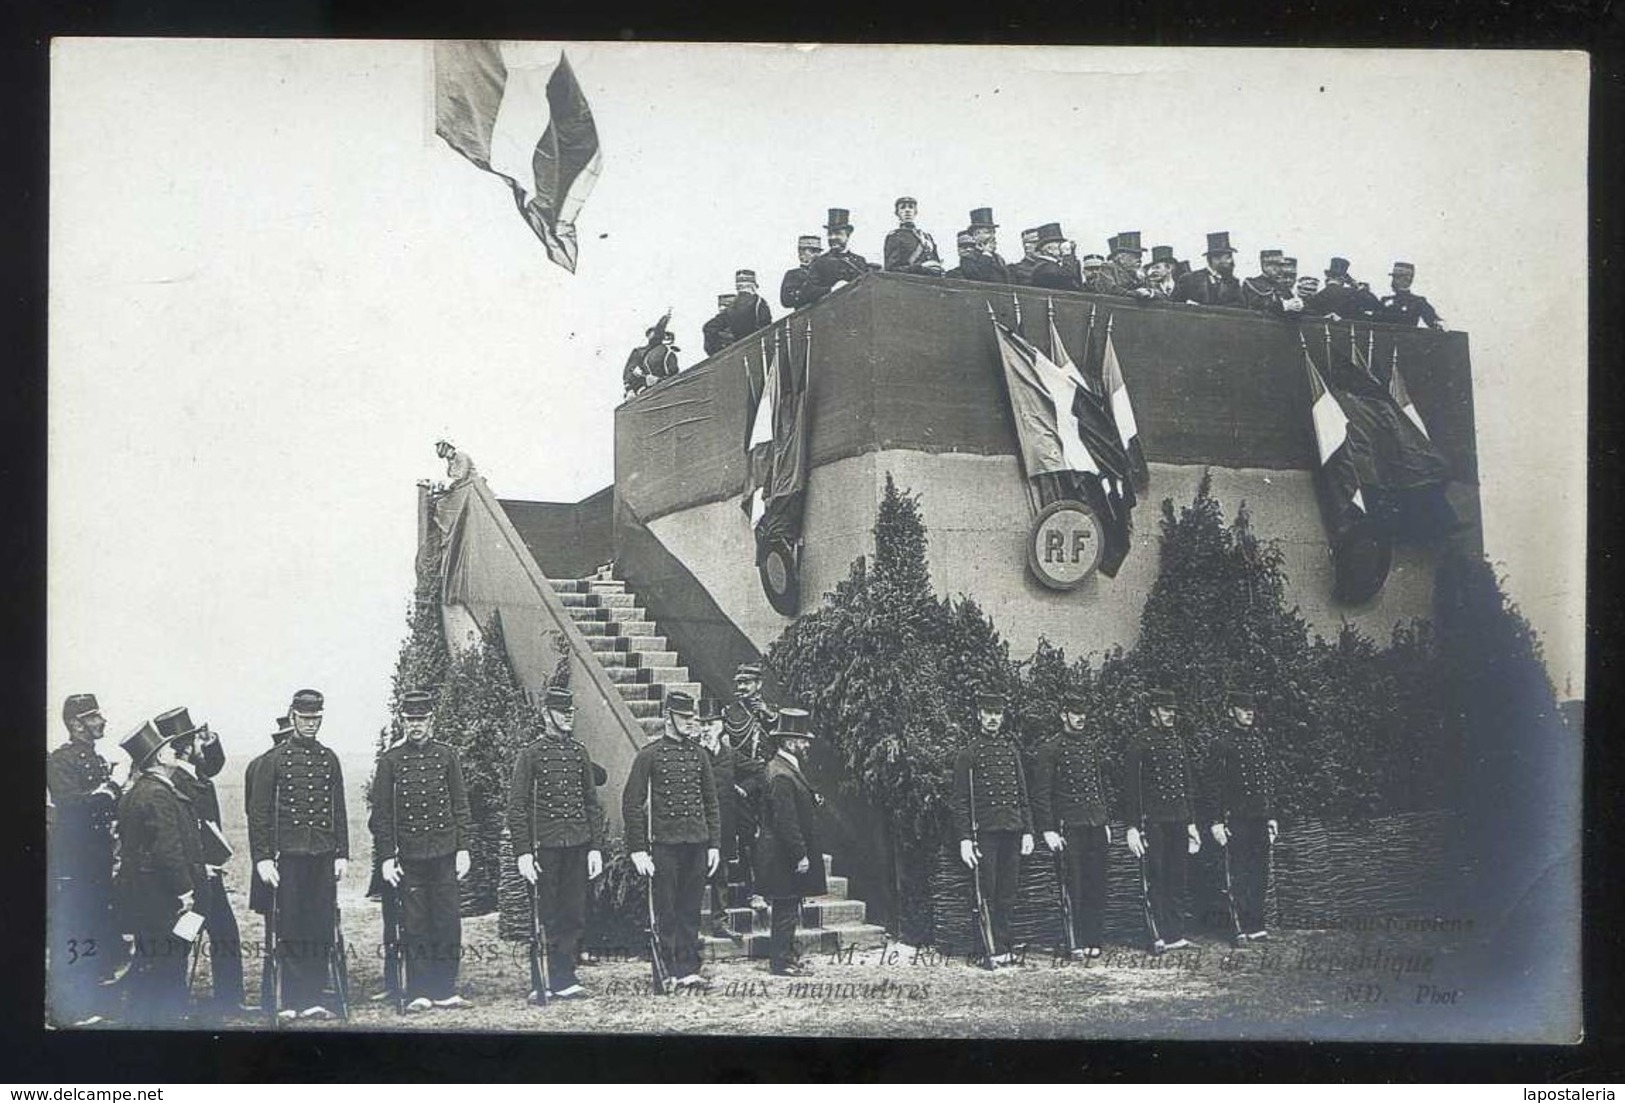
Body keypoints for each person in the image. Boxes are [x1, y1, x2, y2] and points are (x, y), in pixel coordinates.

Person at [245, 688, 349, 1020]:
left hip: (321, 854)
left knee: (319, 924)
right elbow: (259, 814)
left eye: (316, 719)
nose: (311, 724)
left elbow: (339, 809)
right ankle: (290, 999)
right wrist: (261, 858)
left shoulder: (329, 758)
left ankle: (314, 996)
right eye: (305, 719)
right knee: (289, 926)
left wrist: (341, 852)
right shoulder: (272, 761)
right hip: (286, 857)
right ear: (293, 717)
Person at [371, 689, 474, 1012]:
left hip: (444, 852)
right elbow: (382, 814)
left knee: (447, 921)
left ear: (432, 721)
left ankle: (445, 988)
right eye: (410, 720)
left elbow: (460, 805)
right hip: (409, 856)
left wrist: (463, 848)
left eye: (421, 719)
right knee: (414, 923)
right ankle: (418, 990)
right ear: (402, 721)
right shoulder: (390, 761)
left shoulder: (447, 755)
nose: (416, 726)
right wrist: (387, 857)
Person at [507, 687, 605, 1001]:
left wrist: (594, 847)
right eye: (562, 712)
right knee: (545, 914)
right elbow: (517, 806)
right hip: (545, 847)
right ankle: (542, 979)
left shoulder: (579, 752)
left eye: (571, 712)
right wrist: (522, 851)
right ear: (546, 714)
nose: (568, 717)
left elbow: (592, 804)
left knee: (573, 913)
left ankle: (566, 977)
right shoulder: (530, 754)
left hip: (577, 844)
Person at [622, 691, 721, 990]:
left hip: (697, 843)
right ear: (668, 717)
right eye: (684, 718)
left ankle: (688, 969)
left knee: (690, 910)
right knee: (665, 911)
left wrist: (714, 843)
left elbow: (711, 802)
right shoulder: (649, 755)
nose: (691, 723)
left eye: (692, 718)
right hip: (664, 845)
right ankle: (665, 971)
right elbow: (631, 803)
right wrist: (638, 848)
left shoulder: (699, 755)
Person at [114, 718, 208, 1026]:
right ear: (158, 757)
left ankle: (146, 1020)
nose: (172, 749)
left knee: (150, 960)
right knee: (167, 962)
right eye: (166, 747)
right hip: (161, 896)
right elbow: (167, 850)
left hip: (143, 896)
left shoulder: (139, 791)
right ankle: (167, 1022)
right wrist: (185, 891)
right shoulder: (157, 794)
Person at [158, 707, 245, 1014]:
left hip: (208, 873)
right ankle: (174, 1001)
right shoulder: (177, 782)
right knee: (187, 935)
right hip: (196, 875)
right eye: (195, 738)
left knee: (221, 933)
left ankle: (226, 1000)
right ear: (184, 746)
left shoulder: (192, 774)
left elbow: (213, 764)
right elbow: (180, 833)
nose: (200, 743)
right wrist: (201, 868)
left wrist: (211, 740)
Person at [47, 693, 124, 1025]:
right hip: (75, 862)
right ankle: (66, 1009)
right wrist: (109, 790)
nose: (101, 721)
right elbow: (71, 805)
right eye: (93, 717)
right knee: (73, 931)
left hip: (97, 859)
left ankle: (91, 1000)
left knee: (94, 926)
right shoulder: (59, 761)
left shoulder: (97, 759)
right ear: (76, 723)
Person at [951, 690, 1034, 966]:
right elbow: (961, 801)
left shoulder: (1011, 751)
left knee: (1007, 892)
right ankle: (982, 948)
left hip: (1011, 829)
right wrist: (964, 839)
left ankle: (1003, 944)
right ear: (979, 716)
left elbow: (1023, 795)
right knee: (984, 891)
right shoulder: (968, 754)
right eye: (987, 713)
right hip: (984, 833)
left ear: (1003, 717)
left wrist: (1028, 830)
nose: (992, 719)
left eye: (997, 714)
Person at [1031, 692, 1112, 959]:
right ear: (1063, 715)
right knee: (1073, 884)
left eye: (1084, 713)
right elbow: (1041, 794)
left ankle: (1094, 938)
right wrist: (1048, 829)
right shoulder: (1050, 749)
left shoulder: (1090, 746)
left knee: (1096, 883)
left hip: (1095, 824)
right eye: (1075, 713)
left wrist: (1104, 819)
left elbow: (1098, 786)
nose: (1081, 718)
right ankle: (1074, 940)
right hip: (1070, 827)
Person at [1123, 688, 1199, 954]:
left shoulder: (1178, 742)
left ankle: (1175, 933)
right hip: (1153, 821)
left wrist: (1190, 822)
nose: (1171, 715)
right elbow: (1131, 789)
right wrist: (1132, 826)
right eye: (1166, 710)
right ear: (1153, 711)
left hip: (1178, 819)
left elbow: (1186, 784)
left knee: (1178, 876)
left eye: (1173, 711)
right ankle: (1153, 933)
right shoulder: (1139, 743)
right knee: (1155, 877)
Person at [1204, 691, 1280, 944]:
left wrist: (1271, 816)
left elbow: (1265, 784)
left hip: (1258, 817)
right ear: (1230, 712)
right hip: (1235, 818)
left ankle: (1256, 924)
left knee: (1260, 871)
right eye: (1242, 708)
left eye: (1251, 709)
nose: (1249, 712)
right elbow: (1212, 786)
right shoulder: (1221, 744)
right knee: (1237, 872)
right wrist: (1215, 821)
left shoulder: (1258, 743)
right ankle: (1237, 927)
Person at [755, 708, 826, 977]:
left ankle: (788, 956)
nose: (807, 744)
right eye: (803, 739)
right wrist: (800, 854)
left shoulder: (786, 768)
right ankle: (781, 962)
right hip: (782, 854)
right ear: (789, 742)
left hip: (783, 853)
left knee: (790, 905)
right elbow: (785, 820)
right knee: (785, 908)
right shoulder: (781, 774)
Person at [245, 715, 293, 1012]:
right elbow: (257, 818)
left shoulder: (254, 765)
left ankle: (282, 990)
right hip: (273, 859)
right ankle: (272, 993)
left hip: (283, 860)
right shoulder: (261, 768)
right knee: (276, 929)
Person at [722, 662, 776, 906]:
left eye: (747, 683)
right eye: (739, 683)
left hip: (769, 785)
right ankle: (753, 890)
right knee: (747, 839)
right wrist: (746, 781)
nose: (742, 687)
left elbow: (779, 744)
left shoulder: (771, 713)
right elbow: (729, 753)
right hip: (742, 787)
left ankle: (774, 888)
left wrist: (766, 713)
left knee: (771, 838)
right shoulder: (730, 713)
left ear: (759, 685)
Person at [696, 699, 740, 940]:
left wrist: (742, 788)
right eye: (702, 723)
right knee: (694, 875)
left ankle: (719, 923)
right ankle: (690, 927)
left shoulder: (730, 754)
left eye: (711, 723)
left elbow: (756, 770)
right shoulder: (693, 752)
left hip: (723, 826)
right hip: (698, 825)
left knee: (721, 876)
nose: (705, 728)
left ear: (721, 726)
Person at [802, 209, 872, 306]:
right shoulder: (820, 262)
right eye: (830, 234)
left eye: (838, 233)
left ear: (847, 235)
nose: (832, 237)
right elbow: (808, 292)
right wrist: (831, 290)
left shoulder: (859, 261)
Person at [1173, 232, 1244, 307]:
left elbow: (1241, 307)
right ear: (1215, 259)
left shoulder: (1233, 283)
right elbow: (1175, 306)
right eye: (1228, 258)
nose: (1231, 261)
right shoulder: (1189, 279)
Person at [883, 196, 945, 277]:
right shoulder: (895, 237)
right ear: (897, 213)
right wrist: (920, 268)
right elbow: (891, 269)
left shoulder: (927, 237)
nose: (907, 210)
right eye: (902, 208)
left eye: (911, 207)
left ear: (915, 212)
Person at [623, 311, 680, 397]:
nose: (666, 338)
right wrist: (629, 389)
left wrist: (660, 380)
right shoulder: (639, 352)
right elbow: (629, 371)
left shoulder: (669, 352)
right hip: (644, 389)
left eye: (668, 337)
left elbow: (674, 373)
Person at [1308, 257, 1381, 322]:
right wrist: (1356, 286)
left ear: (1328, 277)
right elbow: (1375, 305)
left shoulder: (1317, 296)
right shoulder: (1353, 293)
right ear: (1344, 279)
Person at [1377, 261, 1446, 329]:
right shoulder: (1385, 300)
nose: (1393, 281)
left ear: (1408, 279)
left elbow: (1435, 324)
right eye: (1394, 277)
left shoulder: (1418, 302)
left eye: (1397, 277)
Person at [1088, 232, 1154, 299]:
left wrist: (1148, 290)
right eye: (1135, 256)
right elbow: (1111, 289)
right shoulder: (1108, 268)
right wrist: (1135, 293)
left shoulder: (1139, 274)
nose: (1139, 260)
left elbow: (1153, 290)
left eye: (1140, 257)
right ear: (1122, 258)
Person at [956, 208, 1010, 284]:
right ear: (976, 235)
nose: (992, 236)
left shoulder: (999, 259)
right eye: (988, 232)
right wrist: (986, 254)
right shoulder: (968, 259)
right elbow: (978, 277)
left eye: (993, 232)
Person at [1242, 249, 1302, 316]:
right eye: (1277, 265)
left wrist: (1297, 305)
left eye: (1281, 265)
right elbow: (1257, 304)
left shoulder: (1282, 287)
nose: (1281, 269)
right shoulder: (1252, 284)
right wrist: (1284, 305)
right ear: (1265, 266)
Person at [1027, 223, 1084, 291]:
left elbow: (1077, 284)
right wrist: (1067, 254)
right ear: (1049, 249)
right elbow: (1068, 276)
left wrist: (1072, 255)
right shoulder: (1044, 268)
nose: (1061, 246)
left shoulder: (1056, 266)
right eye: (1058, 243)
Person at [722, 270, 773, 342]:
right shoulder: (758, 301)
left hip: (737, 347)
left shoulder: (730, 307)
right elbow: (766, 325)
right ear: (752, 286)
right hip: (756, 344)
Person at [780, 235, 823, 310]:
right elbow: (787, 300)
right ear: (801, 254)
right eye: (812, 251)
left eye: (818, 252)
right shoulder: (793, 275)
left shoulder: (825, 272)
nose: (817, 255)